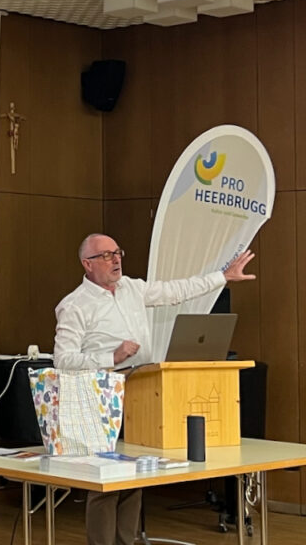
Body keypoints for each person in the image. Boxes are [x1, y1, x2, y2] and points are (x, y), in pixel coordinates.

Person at [53, 233, 256, 545]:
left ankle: (127, 541)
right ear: (87, 264)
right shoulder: (74, 305)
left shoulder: (133, 288)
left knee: (135, 476)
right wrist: (111, 357)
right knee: (106, 482)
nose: (115, 259)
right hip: (102, 397)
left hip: (143, 392)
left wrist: (223, 277)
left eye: (117, 252)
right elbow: (63, 360)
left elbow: (177, 291)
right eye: (106, 255)